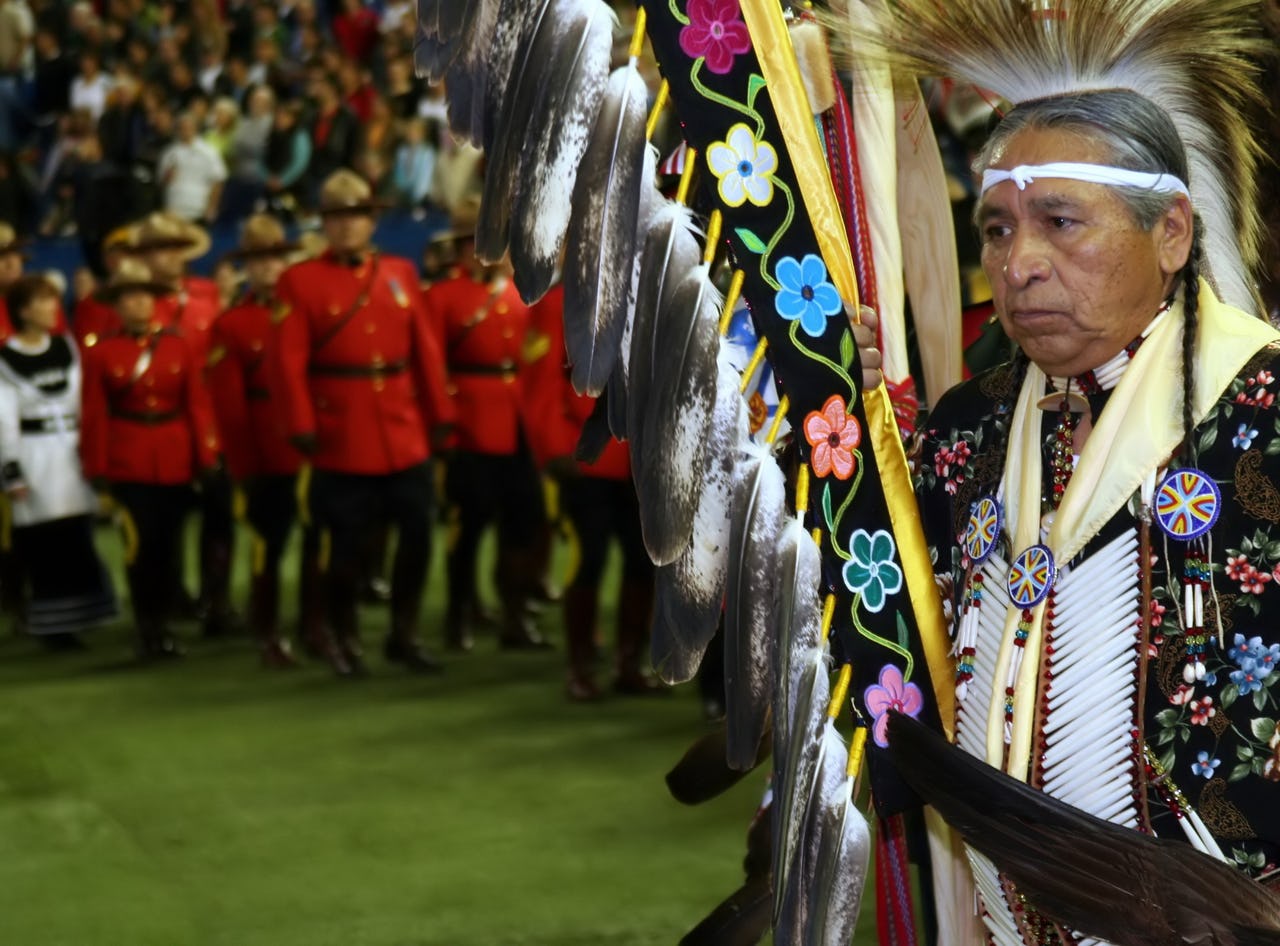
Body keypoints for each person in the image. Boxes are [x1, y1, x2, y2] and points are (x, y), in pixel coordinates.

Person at [840, 5, 1280, 939]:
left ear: (1170, 233)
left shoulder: (1264, 409)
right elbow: (871, 638)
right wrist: (830, 425)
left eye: (1060, 221)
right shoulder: (972, 426)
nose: (1020, 264)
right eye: (996, 230)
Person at [267, 168, 455, 676]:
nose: (347, 227)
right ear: (324, 224)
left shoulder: (399, 272)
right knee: (344, 545)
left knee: (417, 535)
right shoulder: (298, 281)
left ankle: (404, 633)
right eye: (336, 218)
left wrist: (440, 413)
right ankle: (342, 636)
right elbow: (287, 363)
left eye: (357, 216)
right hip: (341, 431)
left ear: (372, 221)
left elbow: (426, 351)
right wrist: (302, 425)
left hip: (402, 428)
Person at [79, 258, 220, 659]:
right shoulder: (102, 352)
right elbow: (94, 414)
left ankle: (166, 623)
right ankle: (147, 627)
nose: (137, 305)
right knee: (140, 548)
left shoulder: (177, 344)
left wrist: (205, 456)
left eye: (143, 296)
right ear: (117, 306)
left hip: (174, 457)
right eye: (128, 298)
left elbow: (196, 404)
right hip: (130, 459)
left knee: (171, 545)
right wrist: (98, 468)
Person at [523, 283, 657, 699]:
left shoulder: (649, 296)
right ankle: (579, 669)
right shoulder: (558, 304)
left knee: (643, 563)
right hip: (585, 458)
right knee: (588, 561)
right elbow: (540, 384)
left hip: (639, 460)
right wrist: (554, 450)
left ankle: (628, 666)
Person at [424, 216, 552, 653]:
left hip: (517, 422)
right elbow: (431, 362)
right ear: (462, 250)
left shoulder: (522, 293)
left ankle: (514, 616)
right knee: (469, 526)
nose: (491, 253)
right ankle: (458, 616)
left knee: (524, 523)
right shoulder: (442, 296)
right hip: (469, 423)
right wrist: (443, 424)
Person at [208, 213, 319, 667]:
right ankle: (267, 630)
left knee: (319, 541)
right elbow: (230, 411)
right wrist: (244, 467)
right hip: (266, 452)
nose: (268, 269)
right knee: (268, 545)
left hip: (313, 450)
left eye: (275, 259)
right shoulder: (232, 324)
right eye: (257, 261)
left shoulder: (304, 309)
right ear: (245, 269)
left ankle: (316, 624)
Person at [0, 275, 117, 650]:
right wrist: (10, 468)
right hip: (34, 454)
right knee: (42, 540)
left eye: (54, 300)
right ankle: (51, 623)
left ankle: (84, 612)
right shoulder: (5, 359)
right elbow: (3, 419)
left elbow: (87, 402)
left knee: (77, 534)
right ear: (23, 311)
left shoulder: (67, 348)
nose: (53, 308)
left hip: (71, 451)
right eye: (43, 301)